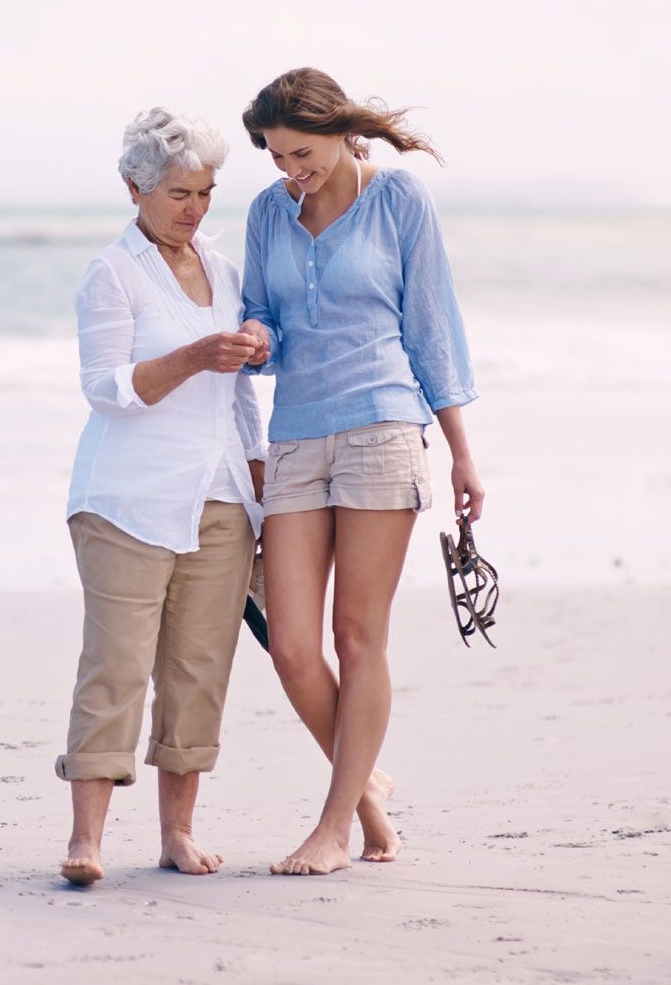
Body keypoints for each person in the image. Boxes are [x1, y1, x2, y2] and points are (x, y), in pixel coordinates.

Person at [237, 67, 483, 876]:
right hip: (298, 436)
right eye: (276, 157)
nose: (289, 172)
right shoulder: (268, 213)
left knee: (358, 634)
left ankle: (335, 827)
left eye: (300, 153)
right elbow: (264, 311)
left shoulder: (399, 200)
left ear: (344, 132)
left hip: (383, 425)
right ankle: (371, 804)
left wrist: (460, 451)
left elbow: (430, 324)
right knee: (293, 646)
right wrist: (256, 332)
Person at [56, 107, 269, 885]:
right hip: (126, 501)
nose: (195, 208)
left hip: (219, 499)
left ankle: (178, 832)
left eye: (207, 191)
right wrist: (193, 356)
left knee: (199, 669)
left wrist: (259, 487)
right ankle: (86, 838)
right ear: (134, 186)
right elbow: (106, 389)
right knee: (115, 665)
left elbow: (242, 396)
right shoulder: (111, 274)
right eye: (180, 191)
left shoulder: (222, 268)